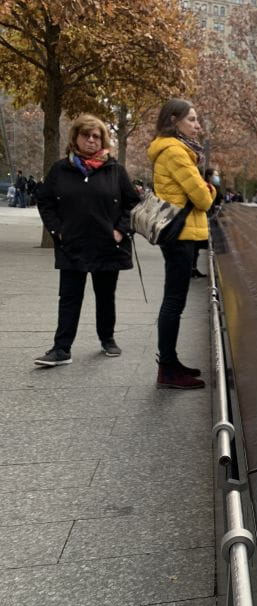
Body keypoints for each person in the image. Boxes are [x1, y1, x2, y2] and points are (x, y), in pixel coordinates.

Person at [34, 114, 139, 367]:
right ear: (75, 138)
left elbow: (133, 204)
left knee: (105, 296)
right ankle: (61, 349)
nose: (91, 140)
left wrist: (120, 231)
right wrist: (57, 230)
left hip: (107, 244)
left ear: (102, 140)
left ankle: (107, 339)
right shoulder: (61, 169)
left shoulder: (115, 170)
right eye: (86, 135)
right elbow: (45, 201)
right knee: (69, 297)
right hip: (73, 244)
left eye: (96, 136)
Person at [148, 98, 214, 389]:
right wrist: (210, 188)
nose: (197, 125)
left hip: (182, 233)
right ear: (174, 120)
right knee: (174, 302)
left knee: (175, 300)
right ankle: (168, 369)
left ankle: (171, 363)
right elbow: (203, 198)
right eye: (192, 119)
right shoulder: (175, 151)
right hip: (181, 234)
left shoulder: (177, 149)